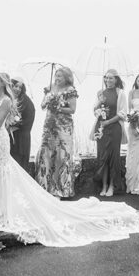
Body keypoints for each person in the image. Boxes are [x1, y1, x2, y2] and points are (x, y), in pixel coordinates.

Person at [0, 73, 139, 247]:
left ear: (3, 84)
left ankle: (4, 208)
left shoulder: (7, 100)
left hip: (0, 139)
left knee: (3, 172)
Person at [35, 66, 81, 198]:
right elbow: (42, 106)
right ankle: (45, 187)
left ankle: (62, 189)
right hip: (49, 125)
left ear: (67, 78)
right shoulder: (50, 87)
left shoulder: (70, 90)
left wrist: (58, 107)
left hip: (63, 127)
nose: (57, 78)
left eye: (60, 76)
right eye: (56, 76)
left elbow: (72, 110)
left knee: (62, 156)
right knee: (46, 154)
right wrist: (48, 101)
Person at [92, 69, 127, 197]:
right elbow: (95, 111)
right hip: (101, 129)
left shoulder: (121, 93)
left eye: (111, 78)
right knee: (103, 157)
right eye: (106, 78)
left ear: (116, 79)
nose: (108, 80)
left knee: (113, 158)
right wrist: (100, 102)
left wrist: (109, 122)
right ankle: (104, 185)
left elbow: (122, 113)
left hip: (114, 128)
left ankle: (112, 186)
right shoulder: (100, 93)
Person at [8, 75, 35, 173]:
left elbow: (28, 121)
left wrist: (14, 125)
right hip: (11, 138)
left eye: (20, 87)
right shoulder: (9, 99)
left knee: (19, 167)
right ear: (10, 86)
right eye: (16, 86)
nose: (18, 89)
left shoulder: (25, 101)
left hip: (21, 140)